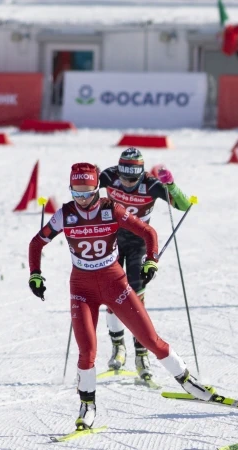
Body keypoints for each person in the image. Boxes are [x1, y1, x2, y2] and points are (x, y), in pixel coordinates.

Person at [27, 163, 216, 431]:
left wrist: (151, 261)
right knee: (87, 352)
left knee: (150, 339)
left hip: (115, 284)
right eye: (76, 193)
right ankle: (87, 407)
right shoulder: (64, 215)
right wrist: (35, 275)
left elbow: (149, 232)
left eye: (87, 192)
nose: (81, 199)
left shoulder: (110, 209)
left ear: (96, 188)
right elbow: (37, 242)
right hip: (82, 291)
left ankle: (188, 382)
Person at [98, 147, 192, 383]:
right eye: (124, 176)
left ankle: (141, 356)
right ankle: (118, 347)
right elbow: (85, 191)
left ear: (141, 173)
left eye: (133, 178)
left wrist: (171, 186)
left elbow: (183, 205)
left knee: (137, 297)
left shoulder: (151, 185)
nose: (127, 183)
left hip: (139, 242)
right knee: (111, 294)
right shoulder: (109, 176)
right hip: (111, 241)